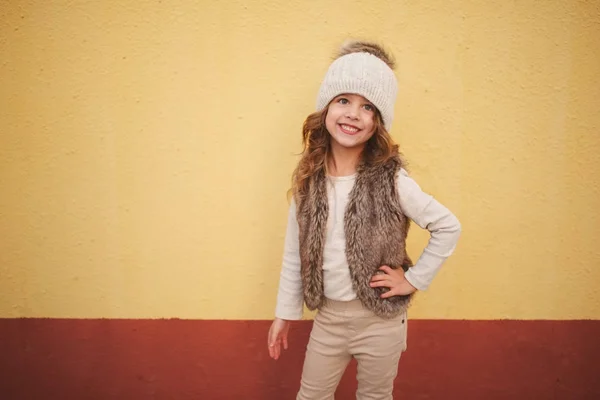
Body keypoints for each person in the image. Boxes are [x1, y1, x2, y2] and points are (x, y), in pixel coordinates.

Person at [267, 40, 461, 399]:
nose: (353, 114)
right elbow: (294, 253)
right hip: (328, 320)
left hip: (381, 322)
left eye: (367, 106)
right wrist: (285, 313)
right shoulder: (309, 183)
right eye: (344, 100)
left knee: (374, 396)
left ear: (378, 123)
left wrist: (414, 279)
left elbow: (448, 226)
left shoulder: (393, 180)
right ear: (326, 108)